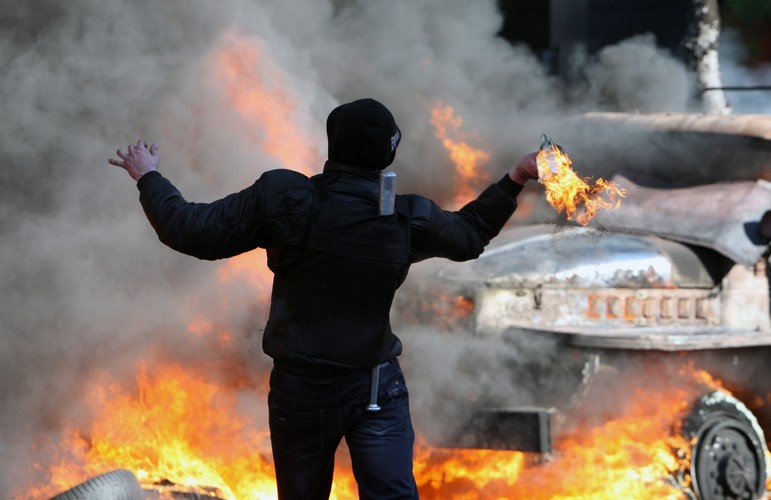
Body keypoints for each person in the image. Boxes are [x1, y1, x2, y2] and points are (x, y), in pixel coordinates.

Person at [109, 97, 539, 500]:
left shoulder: (285, 199)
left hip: (305, 391)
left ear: (333, 145)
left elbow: (189, 230)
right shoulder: (408, 217)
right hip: (376, 387)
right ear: (389, 154)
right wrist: (515, 177)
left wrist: (148, 175)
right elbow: (471, 235)